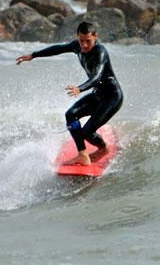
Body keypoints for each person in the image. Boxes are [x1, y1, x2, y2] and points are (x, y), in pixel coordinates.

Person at [16, 21, 123, 165]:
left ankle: (103, 148)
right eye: (81, 40)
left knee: (87, 132)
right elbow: (58, 49)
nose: (84, 45)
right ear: (78, 37)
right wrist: (33, 55)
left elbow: (96, 77)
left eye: (88, 41)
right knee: (71, 114)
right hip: (98, 95)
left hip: (112, 97)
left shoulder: (100, 52)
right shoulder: (77, 46)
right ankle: (83, 155)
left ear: (95, 37)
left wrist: (80, 88)